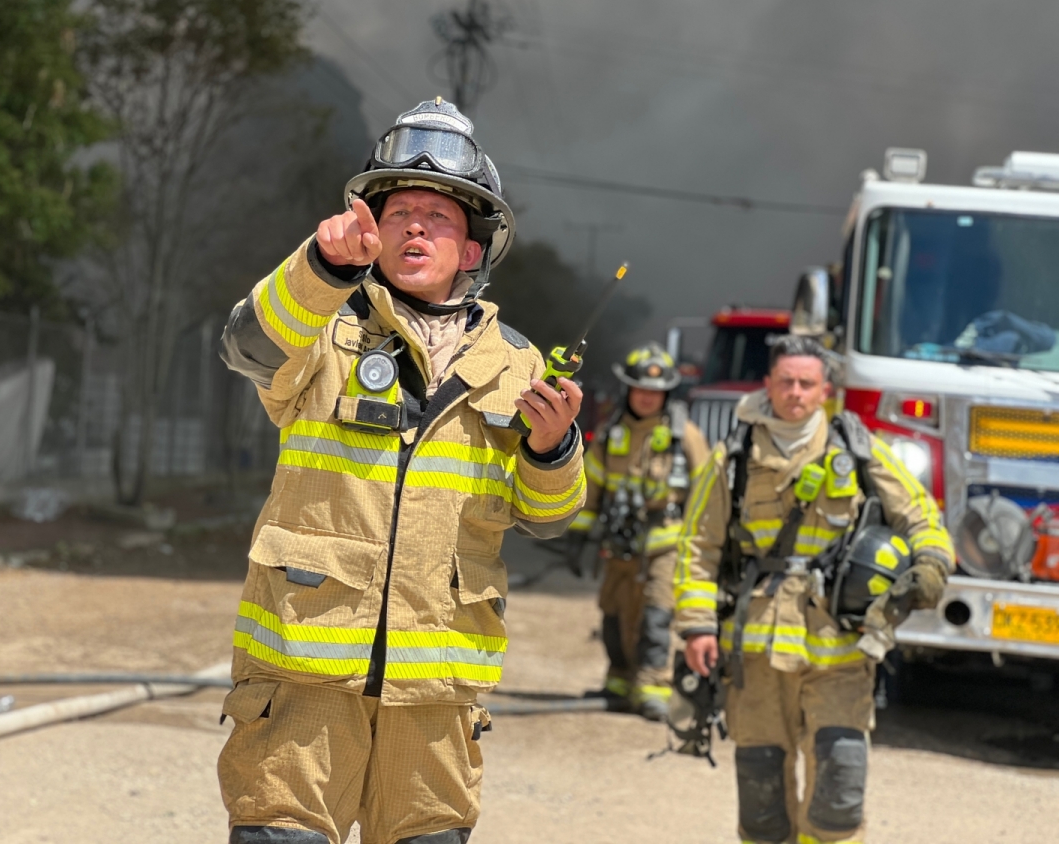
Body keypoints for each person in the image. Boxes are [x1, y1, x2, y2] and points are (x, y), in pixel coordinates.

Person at [215, 97, 586, 844]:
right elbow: (247, 349)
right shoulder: (322, 326)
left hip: (436, 701)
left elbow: (548, 517)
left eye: (440, 217)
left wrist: (553, 452)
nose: (415, 225)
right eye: (400, 212)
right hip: (301, 681)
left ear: (475, 250)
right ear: (371, 233)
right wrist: (319, 268)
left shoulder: (517, 364)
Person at [674, 334, 953, 844]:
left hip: (841, 653)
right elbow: (697, 545)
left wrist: (932, 562)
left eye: (807, 383)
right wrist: (696, 628)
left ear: (825, 389)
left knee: (838, 794)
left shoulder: (859, 449)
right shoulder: (732, 458)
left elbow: (922, 514)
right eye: (786, 382)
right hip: (755, 654)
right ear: (768, 385)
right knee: (762, 803)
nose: (795, 392)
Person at [568, 343, 709, 720]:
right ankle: (619, 680)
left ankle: (653, 686)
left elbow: (707, 492)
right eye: (640, 389)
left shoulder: (686, 437)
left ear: (667, 393)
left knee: (656, 616)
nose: (647, 397)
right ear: (628, 390)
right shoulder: (613, 433)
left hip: (666, 543)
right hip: (620, 544)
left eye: (656, 391)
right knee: (613, 615)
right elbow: (591, 484)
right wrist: (578, 533)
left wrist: (705, 547)